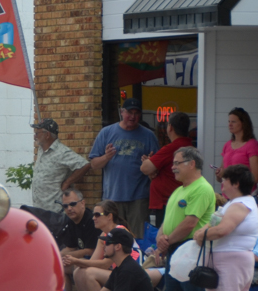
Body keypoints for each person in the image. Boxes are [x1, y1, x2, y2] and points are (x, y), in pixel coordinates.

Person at [190, 165, 258, 291]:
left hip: (230, 260)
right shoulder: (242, 203)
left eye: (225, 180)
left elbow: (223, 229)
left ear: (236, 183)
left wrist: (201, 234)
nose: (222, 184)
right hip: (236, 258)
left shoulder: (238, 205)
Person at [155, 146, 217, 291]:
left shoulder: (201, 189)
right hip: (174, 249)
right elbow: (168, 219)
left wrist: (167, 240)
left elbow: (190, 222)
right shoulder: (179, 190)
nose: (172, 167)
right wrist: (160, 238)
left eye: (177, 163)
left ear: (192, 164)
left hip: (191, 250)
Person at [88, 98, 159, 238]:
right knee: (113, 238)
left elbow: (157, 171)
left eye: (136, 113)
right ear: (122, 112)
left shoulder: (149, 136)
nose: (133, 116)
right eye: (129, 112)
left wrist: (150, 163)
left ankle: (137, 260)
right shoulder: (106, 133)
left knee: (137, 238)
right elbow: (94, 164)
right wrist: (106, 157)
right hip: (113, 197)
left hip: (138, 199)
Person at [68, 200, 160, 291]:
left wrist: (77, 261)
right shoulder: (104, 235)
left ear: (109, 217)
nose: (93, 218)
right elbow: (93, 262)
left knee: (89, 273)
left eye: (97, 214)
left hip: (133, 273)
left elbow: (105, 264)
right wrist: (78, 263)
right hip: (118, 272)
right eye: (93, 215)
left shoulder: (120, 232)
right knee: (78, 271)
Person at [140, 111, 193, 230]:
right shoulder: (190, 147)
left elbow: (145, 168)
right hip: (179, 200)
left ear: (170, 127)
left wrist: (148, 162)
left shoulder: (172, 148)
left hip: (166, 202)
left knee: (163, 236)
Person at [30, 119, 90, 212]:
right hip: (39, 208)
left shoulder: (62, 152)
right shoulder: (41, 149)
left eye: (37, 133)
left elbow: (84, 165)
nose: (35, 136)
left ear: (47, 135)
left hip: (54, 209)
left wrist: (67, 182)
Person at [57, 189, 100, 291]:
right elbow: (70, 247)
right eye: (65, 206)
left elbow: (91, 251)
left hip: (99, 262)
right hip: (83, 261)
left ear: (82, 203)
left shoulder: (92, 220)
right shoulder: (70, 221)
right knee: (58, 267)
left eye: (72, 204)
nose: (69, 208)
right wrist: (56, 256)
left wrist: (66, 257)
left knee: (76, 268)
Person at [216, 107, 258, 187]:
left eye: (233, 122)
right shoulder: (227, 145)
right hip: (227, 194)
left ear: (243, 123)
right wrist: (219, 175)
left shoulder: (252, 145)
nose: (230, 124)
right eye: (229, 121)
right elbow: (221, 178)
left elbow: (255, 177)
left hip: (244, 194)